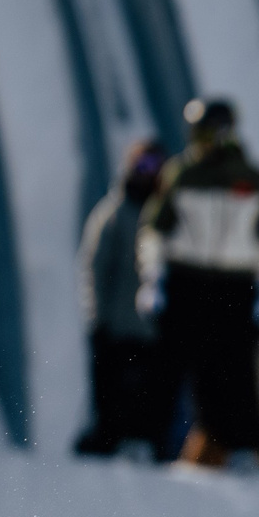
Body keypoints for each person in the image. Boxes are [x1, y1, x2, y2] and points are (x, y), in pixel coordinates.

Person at [142, 97, 259, 469]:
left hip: (236, 284)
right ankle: (167, 447)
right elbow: (155, 230)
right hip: (188, 280)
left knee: (235, 367)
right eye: (199, 132)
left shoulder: (251, 178)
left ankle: (238, 447)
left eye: (210, 131)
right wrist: (153, 276)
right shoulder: (182, 174)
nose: (204, 140)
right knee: (186, 366)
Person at [74, 138, 173, 459]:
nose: (148, 174)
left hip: (154, 331)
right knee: (110, 402)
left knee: (154, 405)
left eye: (155, 168)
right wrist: (97, 319)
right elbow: (94, 268)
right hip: (116, 327)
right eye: (142, 166)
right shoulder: (113, 214)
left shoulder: (167, 216)